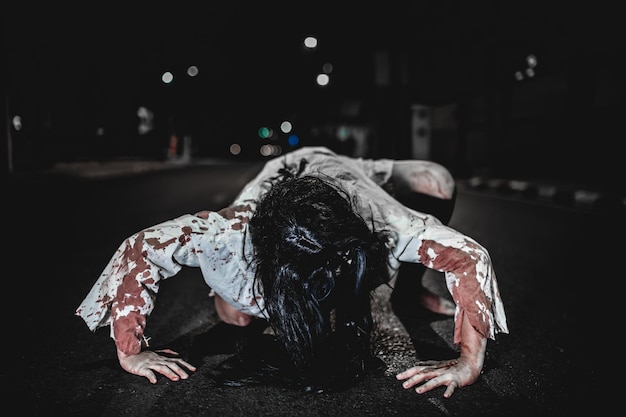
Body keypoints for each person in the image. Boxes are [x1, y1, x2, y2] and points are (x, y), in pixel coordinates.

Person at [76, 146, 508, 398]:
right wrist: (130, 351)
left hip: (346, 173)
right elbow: (139, 249)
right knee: (240, 316)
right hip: (282, 178)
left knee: (438, 179)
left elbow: (469, 256)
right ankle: (249, 300)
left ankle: (410, 291)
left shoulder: (385, 227)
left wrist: (468, 361)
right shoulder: (224, 236)